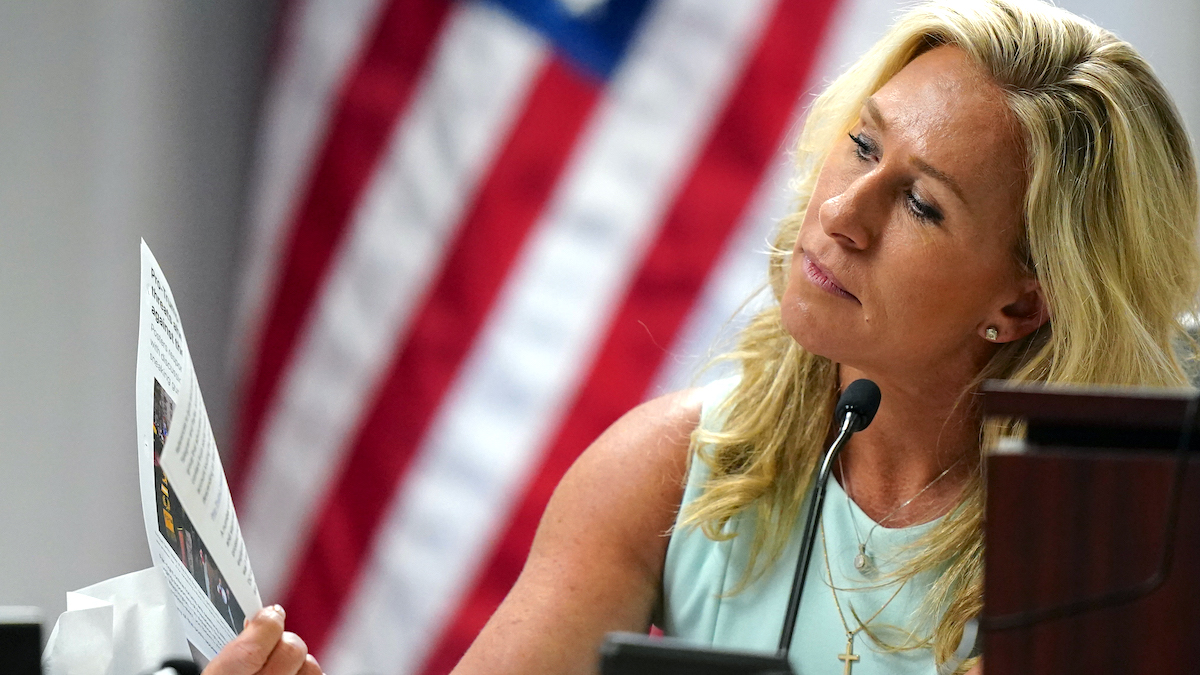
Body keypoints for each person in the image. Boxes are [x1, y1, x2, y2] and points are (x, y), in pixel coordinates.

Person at [205, 0, 1199, 673]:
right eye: (860, 143)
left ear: (1021, 306)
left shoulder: (1120, 546)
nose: (843, 211)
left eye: (923, 205)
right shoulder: (669, 469)